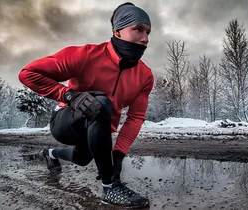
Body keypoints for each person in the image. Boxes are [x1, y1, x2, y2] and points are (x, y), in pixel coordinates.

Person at [18, 2, 153, 208]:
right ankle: (110, 188)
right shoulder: (85, 55)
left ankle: (50, 153)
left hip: (98, 128)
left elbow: (135, 118)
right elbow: (28, 74)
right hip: (65, 121)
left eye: (148, 32)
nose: (145, 38)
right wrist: (69, 95)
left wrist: (118, 153)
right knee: (99, 102)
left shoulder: (145, 75)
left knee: (82, 159)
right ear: (117, 31)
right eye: (138, 29)